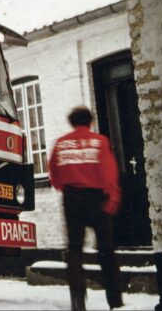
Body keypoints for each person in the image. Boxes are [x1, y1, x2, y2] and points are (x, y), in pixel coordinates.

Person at [48, 106, 124, 311]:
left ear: (72, 122)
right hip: (96, 198)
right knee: (106, 249)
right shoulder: (100, 142)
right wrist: (113, 197)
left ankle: (78, 301)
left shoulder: (61, 143)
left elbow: (53, 173)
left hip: (72, 198)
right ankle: (115, 301)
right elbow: (109, 171)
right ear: (91, 121)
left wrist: (65, 187)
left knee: (74, 249)